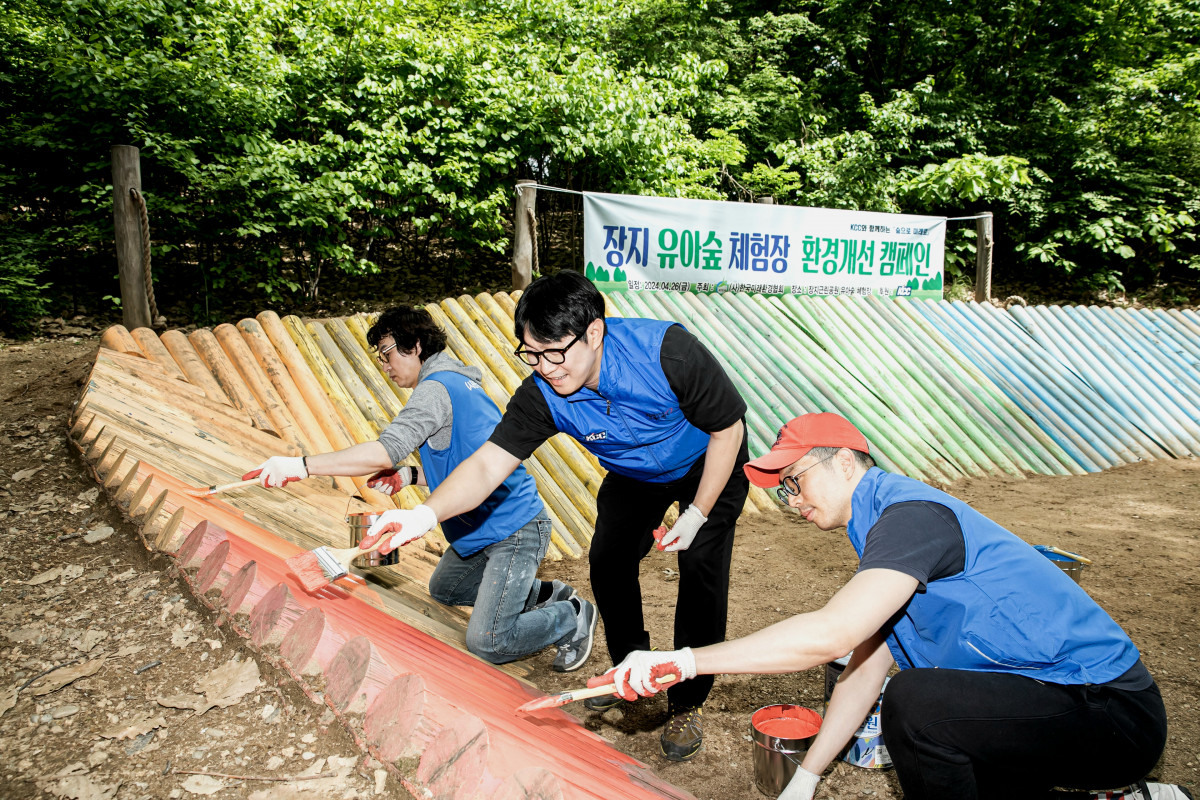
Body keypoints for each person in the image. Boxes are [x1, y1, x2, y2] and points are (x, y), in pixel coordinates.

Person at [588, 412, 1188, 800]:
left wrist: (687, 660)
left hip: (1110, 712)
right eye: (784, 490)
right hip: (1051, 703)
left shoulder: (909, 516)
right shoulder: (881, 535)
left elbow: (830, 634)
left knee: (919, 705)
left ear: (846, 461)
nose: (792, 500)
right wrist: (805, 781)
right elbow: (861, 671)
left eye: (795, 480)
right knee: (927, 710)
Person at [362, 270, 750, 761]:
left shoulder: (667, 352)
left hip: (708, 463)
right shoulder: (542, 392)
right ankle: (632, 668)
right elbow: (486, 463)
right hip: (633, 474)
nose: (545, 367)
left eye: (554, 352)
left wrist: (697, 513)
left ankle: (686, 702)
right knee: (608, 563)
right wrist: (422, 516)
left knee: (701, 572)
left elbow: (728, 429)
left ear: (593, 333)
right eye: (532, 353)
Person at [244, 306, 596, 669]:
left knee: (488, 642)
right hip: (478, 524)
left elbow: (383, 451)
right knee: (446, 589)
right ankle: (542, 592)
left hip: (514, 527)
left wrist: (301, 465)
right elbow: (467, 464)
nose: (385, 366)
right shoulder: (460, 381)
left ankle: (571, 616)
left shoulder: (435, 389)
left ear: (413, 346)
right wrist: (410, 476)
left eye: (387, 354)